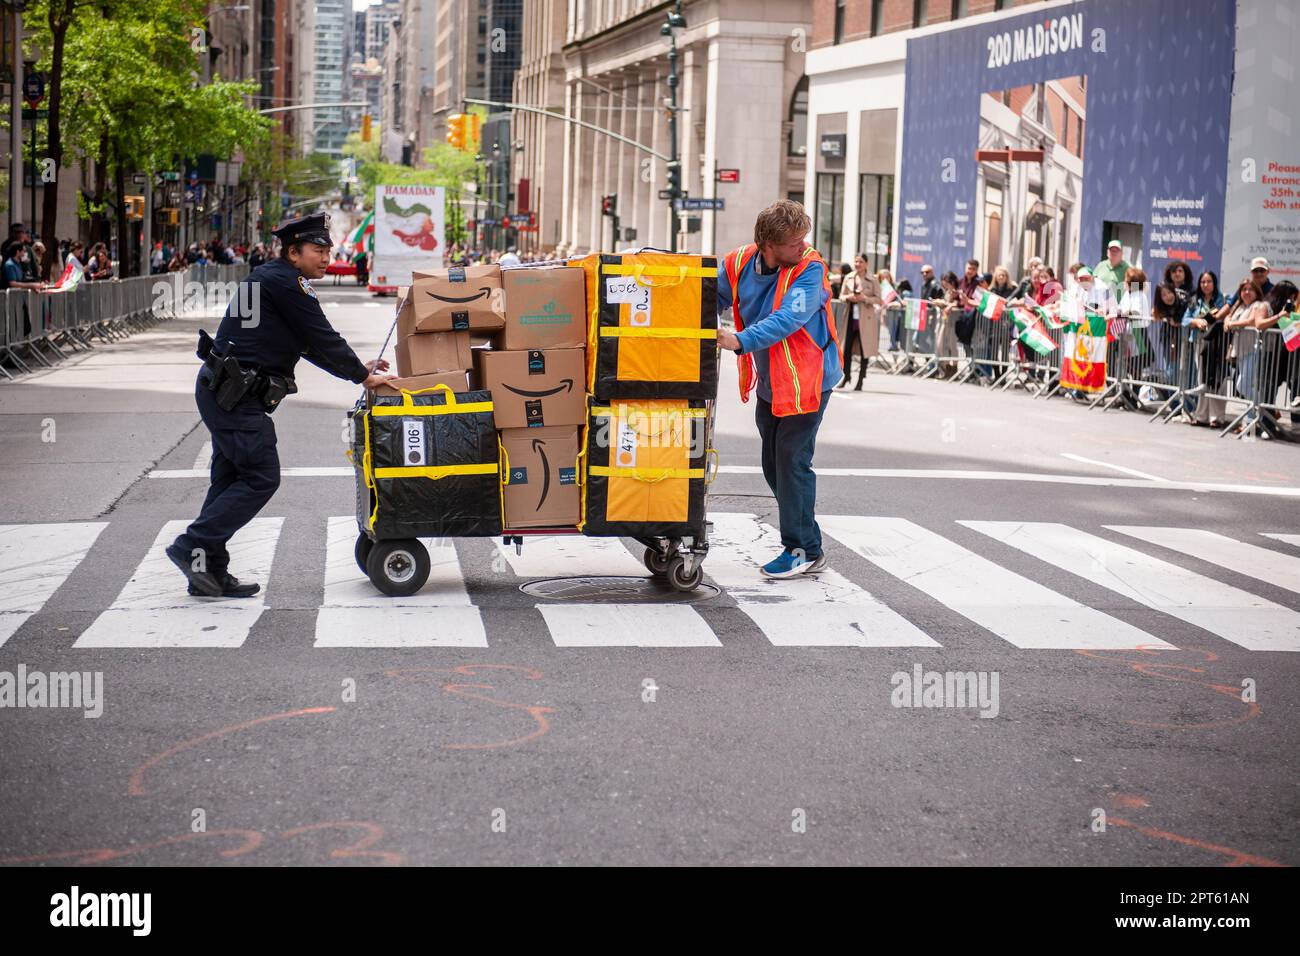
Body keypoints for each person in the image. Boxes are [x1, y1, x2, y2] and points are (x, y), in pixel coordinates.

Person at [167, 213, 395, 597]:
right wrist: (361, 376)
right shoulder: (286, 283)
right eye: (318, 251)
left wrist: (359, 369)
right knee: (260, 476)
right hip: (234, 397)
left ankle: (208, 571)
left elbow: (307, 344)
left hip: (227, 392)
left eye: (328, 251)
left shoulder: (275, 279)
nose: (325, 258)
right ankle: (192, 546)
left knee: (228, 481)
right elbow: (321, 335)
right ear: (294, 253)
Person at [716, 199, 840, 579]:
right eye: (794, 242)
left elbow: (789, 318)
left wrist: (738, 340)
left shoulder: (810, 269)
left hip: (807, 382)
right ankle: (808, 542)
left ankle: (801, 548)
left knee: (790, 461)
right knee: (774, 465)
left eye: (803, 239)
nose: (803, 246)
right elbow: (711, 298)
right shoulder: (738, 263)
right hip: (773, 384)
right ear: (768, 244)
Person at [1219, 278, 1268, 433]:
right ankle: (1253, 418)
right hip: (1240, 349)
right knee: (1244, 385)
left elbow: (1252, 321)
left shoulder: (1258, 305)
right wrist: (1227, 321)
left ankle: (1263, 412)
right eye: (1244, 289)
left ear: (1256, 292)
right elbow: (1228, 316)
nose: (1247, 292)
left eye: (1250, 289)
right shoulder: (1239, 305)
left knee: (1242, 385)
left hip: (1253, 348)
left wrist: (1233, 324)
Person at [1188, 271, 1227, 427]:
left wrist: (1209, 319)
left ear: (1214, 282)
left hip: (1218, 343)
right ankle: (1202, 415)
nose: (1205, 285)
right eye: (1203, 282)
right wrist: (1196, 321)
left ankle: (1217, 417)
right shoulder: (1195, 300)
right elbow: (1186, 318)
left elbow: (1222, 315)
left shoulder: (1221, 299)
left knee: (1218, 380)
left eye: (1209, 281)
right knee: (1202, 380)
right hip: (1200, 342)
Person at [838, 253, 881, 390]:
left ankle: (861, 379)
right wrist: (849, 297)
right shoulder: (849, 277)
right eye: (856, 261)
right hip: (850, 318)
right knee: (846, 350)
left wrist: (864, 299)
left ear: (866, 264)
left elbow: (878, 299)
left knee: (865, 350)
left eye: (861, 262)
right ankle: (846, 376)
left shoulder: (873, 279)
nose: (858, 264)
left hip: (866, 319)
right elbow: (841, 296)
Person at [1093, 240, 1131, 309]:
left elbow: (1132, 287)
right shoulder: (1101, 265)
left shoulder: (1127, 269)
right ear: (1107, 252)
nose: (1113, 252)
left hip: (1117, 309)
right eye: (1111, 250)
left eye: (1116, 250)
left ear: (1121, 253)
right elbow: (1092, 282)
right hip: (1099, 307)